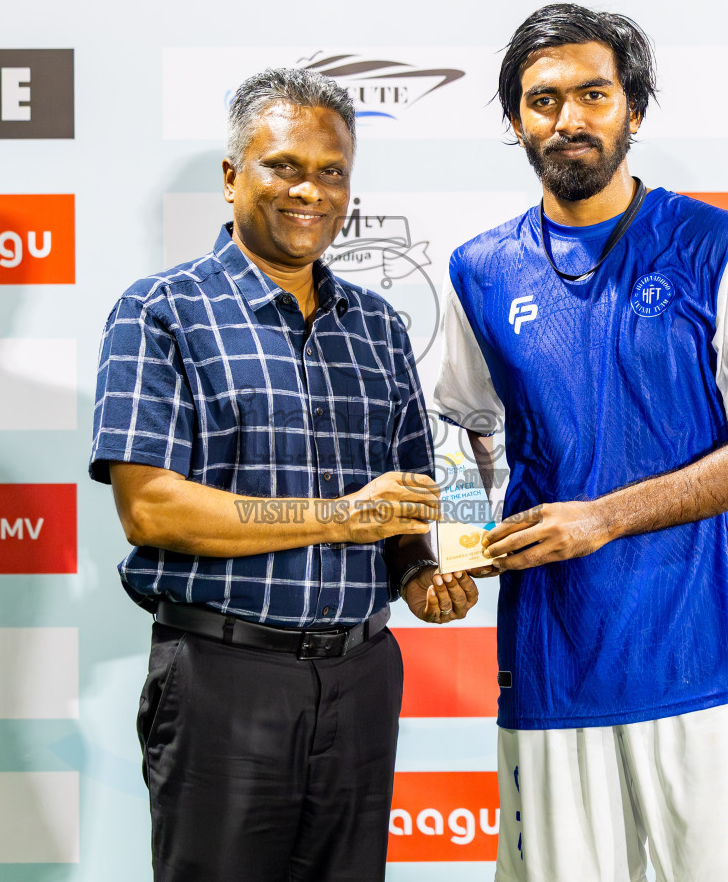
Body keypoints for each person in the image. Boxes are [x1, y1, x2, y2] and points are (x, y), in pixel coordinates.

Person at [433, 3, 728, 882]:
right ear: (516, 122)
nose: (568, 119)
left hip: (698, 651)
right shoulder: (479, 268)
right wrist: (456, 540)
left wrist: (601, 518)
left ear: (632, 110)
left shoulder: (720, 246)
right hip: (551, 656)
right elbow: (462, 430)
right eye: (542, 101)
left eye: (592, 94)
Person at [89, 67, 480, 882]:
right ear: (232, 175)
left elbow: (404, 499)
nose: (311, 191)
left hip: (361, 676)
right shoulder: (162, 311)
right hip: (225, 679)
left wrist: (416, 572)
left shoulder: (375, 324)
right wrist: (342, 517)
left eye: (331, 172)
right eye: (284, 166)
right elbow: (153, 512)